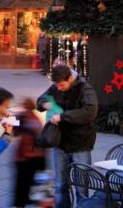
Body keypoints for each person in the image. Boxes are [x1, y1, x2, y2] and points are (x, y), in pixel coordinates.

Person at [36, 65, 97, 208]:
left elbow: (89, 112)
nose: (58, 88)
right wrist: (44, 104)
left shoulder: (85, 89)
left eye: (61, 85)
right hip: (60, 143)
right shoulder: (56, 87)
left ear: (70, 78)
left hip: (80, 144)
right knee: (59, 185)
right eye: (56, 85)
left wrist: (63, 117)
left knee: (81, 187)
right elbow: (40, 100)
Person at [13, 98, 45, 208]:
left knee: (23, 183)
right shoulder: (34, 119)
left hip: (28, 158)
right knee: (30, 184)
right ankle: (27, 200)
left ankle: (22, 202)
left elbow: (14, 132)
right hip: (33, 157)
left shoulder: (27, 118)